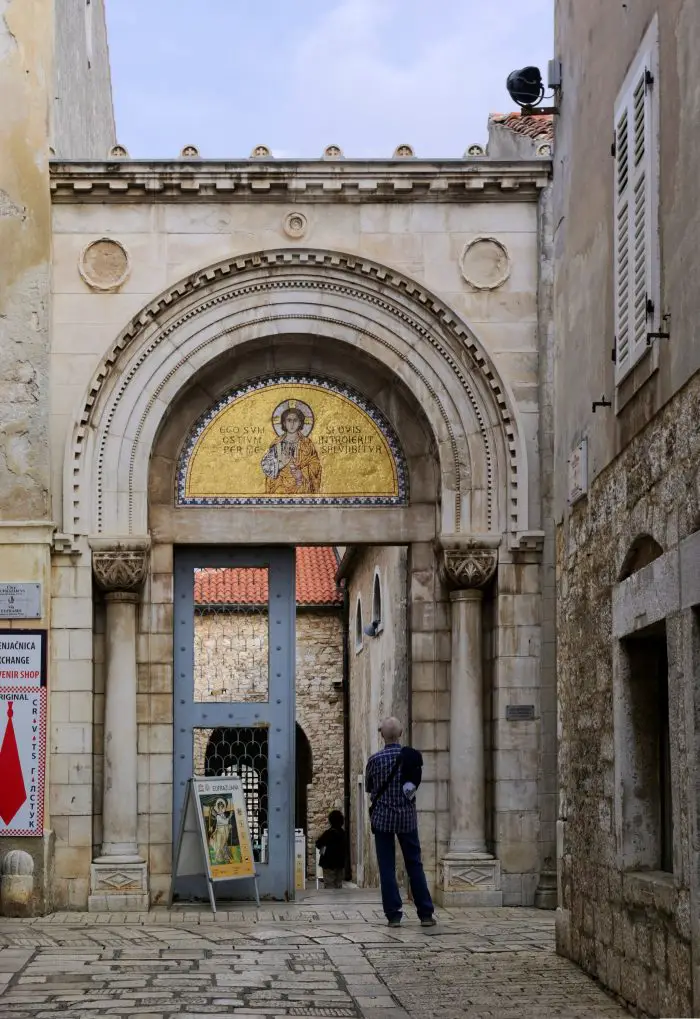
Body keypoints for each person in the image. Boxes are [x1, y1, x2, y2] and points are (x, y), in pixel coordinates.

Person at [365, 717, 436, 928]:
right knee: (414, 864)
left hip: (383, 819)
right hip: (407, 818)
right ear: (401, 733)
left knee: (387, 867)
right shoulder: (411, 757)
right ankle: (425, 914)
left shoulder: (375, 760)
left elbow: (369, 787)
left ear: (382, 735)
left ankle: (394, 915)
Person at [260, 405, 322, 495]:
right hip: (279, 486)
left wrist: (302, 474)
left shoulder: (307, 444)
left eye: (295, 420)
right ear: (284, 423)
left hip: (301, 486)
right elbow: (266, 467)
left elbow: (315, 465)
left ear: (300, 423)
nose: (292, 424)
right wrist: (281, 464)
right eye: (289, 420)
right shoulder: (277, 443)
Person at [316, 809, 346, 889]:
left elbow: (318, 844)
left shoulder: (328, 833)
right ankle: (338, 900)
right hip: (339, 863)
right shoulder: (343, 833)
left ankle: (331, 901)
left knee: (329, 884)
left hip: (328, 863)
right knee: (338, 883)